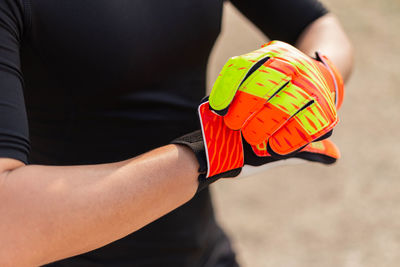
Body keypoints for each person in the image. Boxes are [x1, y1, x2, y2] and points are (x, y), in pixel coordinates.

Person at [0, 0, 353, 266]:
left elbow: (317, 24)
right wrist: (211, 152)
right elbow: (7, 224)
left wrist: (316, 78)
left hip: (201, 250)